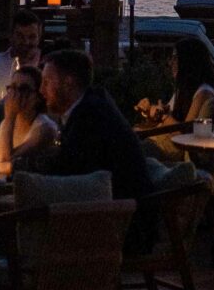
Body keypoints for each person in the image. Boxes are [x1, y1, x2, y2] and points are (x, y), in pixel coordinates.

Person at [35, 46, 155, 220]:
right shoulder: (91, 103)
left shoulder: (90, 117)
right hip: (116, 209)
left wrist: (18, 167)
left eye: (46, 82)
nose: (41, 90)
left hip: (120, 221)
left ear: (68, 83)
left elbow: (67, 171)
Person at [0, 64, 59, 177]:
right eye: (13, 88)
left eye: (24, 89)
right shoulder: (6, 124)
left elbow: (5, 163)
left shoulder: (44, 129)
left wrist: (10, 116)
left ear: (38, 96)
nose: (16, 95)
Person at [0, 19, 43, 124]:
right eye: (20, 36)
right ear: (11, 37)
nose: (26, 42)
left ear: (39, 38)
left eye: (32, 37)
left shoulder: (44, 71)